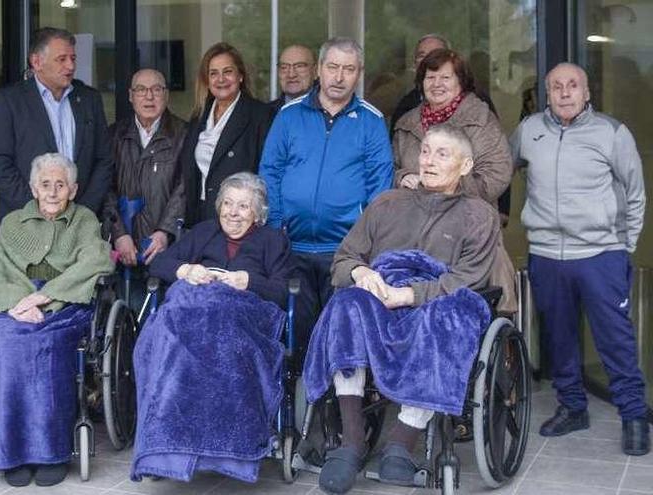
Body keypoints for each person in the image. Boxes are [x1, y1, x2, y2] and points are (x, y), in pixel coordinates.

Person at [303, 124, 503, 493]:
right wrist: (362, 272)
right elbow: (345, 257)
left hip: (436, 299)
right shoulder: (386, 203)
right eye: (425, 151)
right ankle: (352, 441)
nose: (428, 160)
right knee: (346, 303)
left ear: (465, 165)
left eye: (442, 154)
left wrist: (409, 295)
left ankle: (402, 440)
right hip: (380, 297)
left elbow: (469, 278)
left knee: (445, 319)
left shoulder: (479, 215)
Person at [512, 62, 649, 456]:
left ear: (587, 92)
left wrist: (625, 245)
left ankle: (634, 415)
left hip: (600, 254)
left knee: (616, 340)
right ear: (547, 93)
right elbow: (501, 170)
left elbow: (635, 193)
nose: (565, 92)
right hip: (546, 255)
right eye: (557, 86)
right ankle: (573, 407)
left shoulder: (611, 132)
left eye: (573, 85)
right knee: (559, 337)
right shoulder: (528, 131)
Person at [132, 172, 294, 482]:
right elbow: (158, 264)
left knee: (222, 335)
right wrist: (186, 269)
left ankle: (228, 451)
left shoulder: (273, 241)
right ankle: (167, 449)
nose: (233, 213)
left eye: (243, 206)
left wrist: (249, 282)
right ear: (218, 206)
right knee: (167, 328)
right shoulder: (202, 233)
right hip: (189, 313)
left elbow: (284, 290)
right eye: (228, 204)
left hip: (241, 317)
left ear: (258, 213)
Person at [0, 153, 113, 487]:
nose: (53, 192)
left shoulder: (85, 221)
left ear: (74, 189)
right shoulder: (13, 223)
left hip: (66, 303)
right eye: (46, 185)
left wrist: (45, 296)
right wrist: (18, 303)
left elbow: (95, 263)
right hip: (14, 305)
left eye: (60, 185)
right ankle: (15, 454)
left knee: (46, 344)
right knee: (6, 341)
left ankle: (50, 452)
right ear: (34, 189)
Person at [259, 37, 392, 362]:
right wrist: (277, 227)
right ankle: (303, 407)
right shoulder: (289, 116)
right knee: (297, 339)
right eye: (332, 67)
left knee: (342, 342)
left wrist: (362, 242)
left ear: (358, 74)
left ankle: (339, 410)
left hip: (344, 253)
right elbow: (270, 171)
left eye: (348, 69)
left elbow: (380, 188)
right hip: (294, 248)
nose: (339, 76)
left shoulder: (372, 121)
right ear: (319, 69)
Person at [0, 27, 113, 226]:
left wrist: (83, 211)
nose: (70, 66)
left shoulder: (89, 98)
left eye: (73, 58)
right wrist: (40, 209)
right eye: (61, 59)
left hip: (78, 224)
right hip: (26, 222)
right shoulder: (10, 100)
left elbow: (104, 159)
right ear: (36, 62)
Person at [104, 68, 185, 309]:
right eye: (141, 90)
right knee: (126, 320)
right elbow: (105, 189)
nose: (149, 97)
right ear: (130, 96)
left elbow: (184, 189)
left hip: (166, 247)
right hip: (125, 247)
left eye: (156, 89)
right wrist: (119, 234)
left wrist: (164, 232)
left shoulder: (184, 134)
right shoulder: (113, 135)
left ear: (166, 95)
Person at [392, 48, 512, 207]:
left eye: (445, 77)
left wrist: (448, 190)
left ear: (461, 81)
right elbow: (391, 168)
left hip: (468, 220)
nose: (436, 84)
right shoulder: (406, 123)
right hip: (414, 219)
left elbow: (497, 174)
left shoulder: (481, 119)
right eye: (430, 77)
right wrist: (402, 177)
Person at [179, 42, 275, 228]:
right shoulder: (199, 116)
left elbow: (267, 174)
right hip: (201, 215)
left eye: (227, 71)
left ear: (240, 76)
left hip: (239, 220)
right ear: (207, 80)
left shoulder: (260, 115)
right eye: (213, 73)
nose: (221, 79)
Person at [269, 44, 317, 111]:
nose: (291, 75)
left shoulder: (331, 110)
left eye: (299, 66)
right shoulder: (265, 114)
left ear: (315, 71)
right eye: (284, 67)